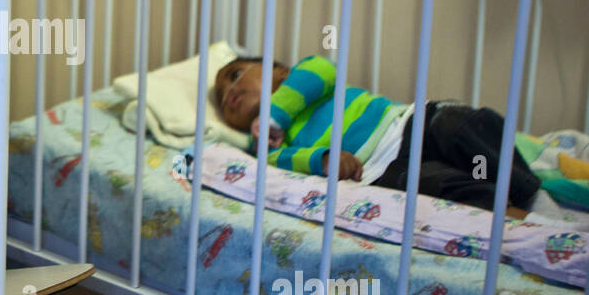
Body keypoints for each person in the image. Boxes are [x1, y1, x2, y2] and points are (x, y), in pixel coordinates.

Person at [213, 55, 540, 219]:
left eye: (235, 75)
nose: (230, 91)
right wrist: (323, 158)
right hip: (382, 171)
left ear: (277, 69)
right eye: (223, 96)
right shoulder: (264, 145)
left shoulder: (305, 74)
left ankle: (525, 191)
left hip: (409, 125)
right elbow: (283, 162)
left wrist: (275, 115)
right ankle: (516, 216)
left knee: (461, 126)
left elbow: (324, 70)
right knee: (438, 188)